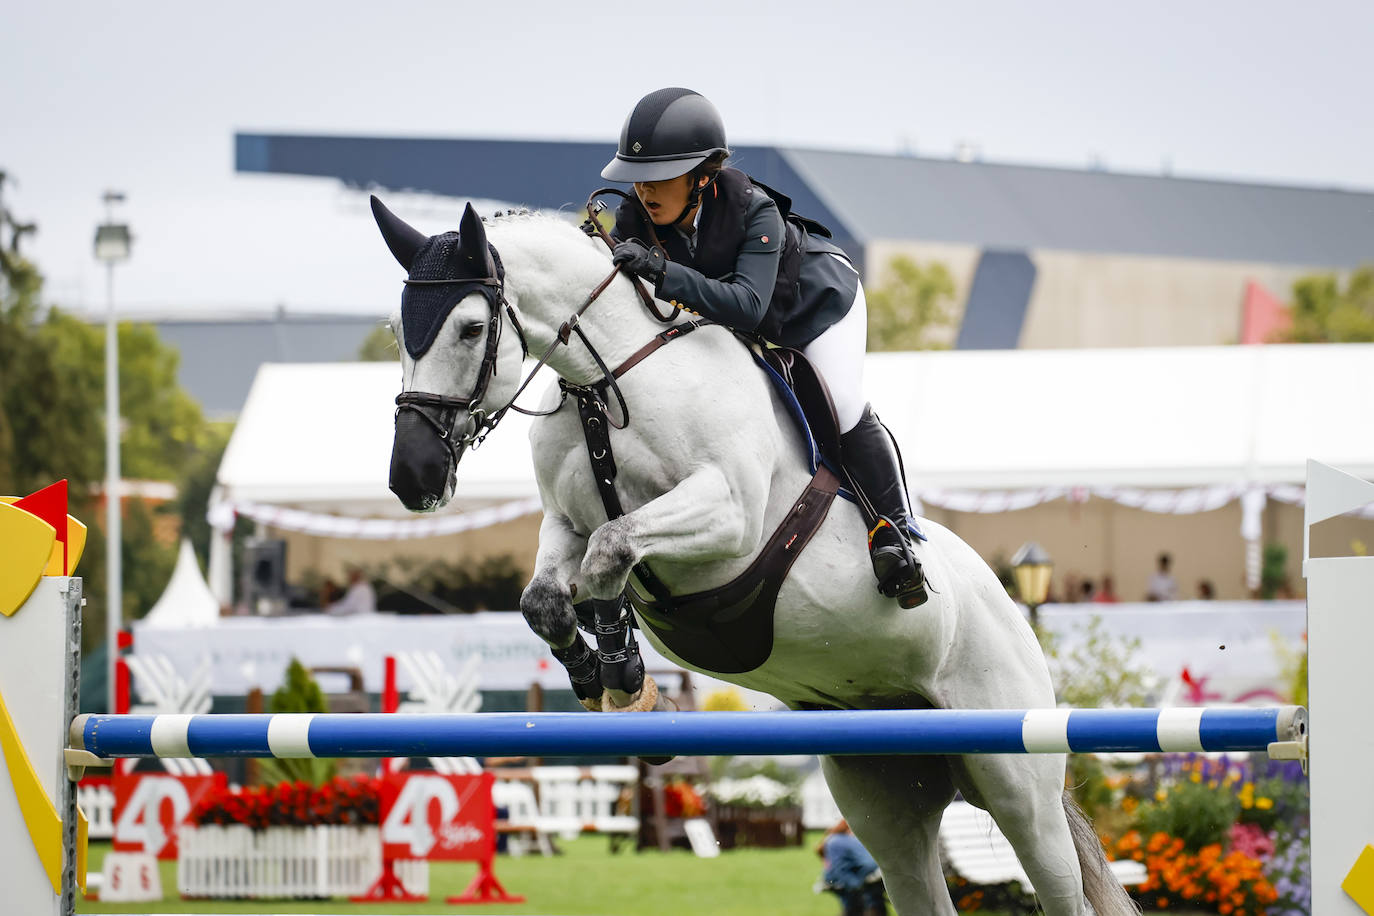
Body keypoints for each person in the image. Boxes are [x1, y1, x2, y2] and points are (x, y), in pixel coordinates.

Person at [602, 87, 926, 608]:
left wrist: (662, 271)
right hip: (740, 327)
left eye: (661, 178)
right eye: (638, 178)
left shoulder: (756, 210)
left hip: (817, 308)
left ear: (703, 176)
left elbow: (749, 306)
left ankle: (895, 533)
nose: (644, 191)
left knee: (839, 406)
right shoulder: (634, 221)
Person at [815, 819, 887, 916]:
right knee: (874, 903)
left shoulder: (832, 842)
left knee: (854, 907)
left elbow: (840, 868)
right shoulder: (854, 838)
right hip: (878, 870)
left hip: (864, 875)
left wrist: (856, 885)